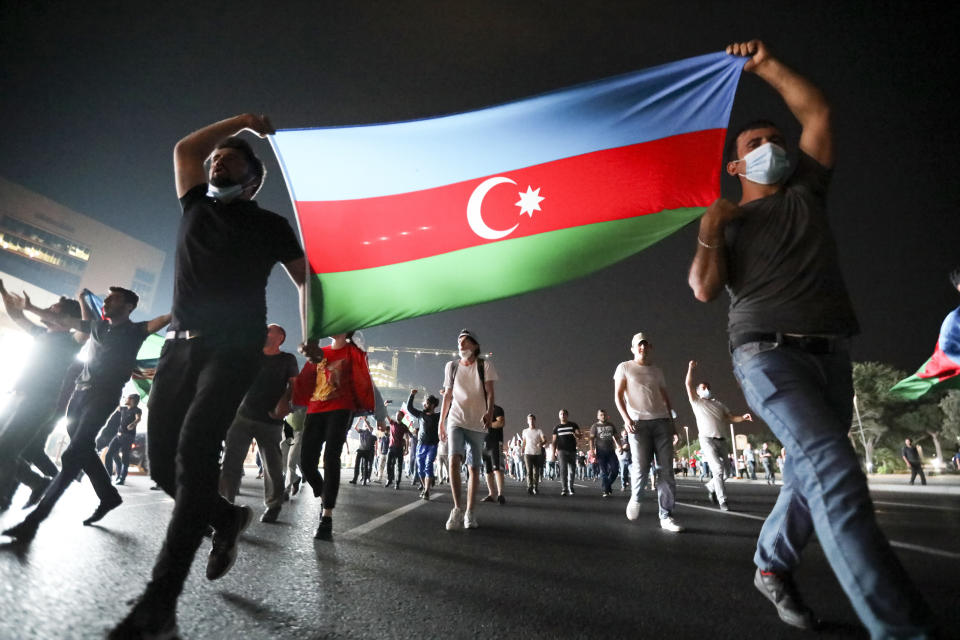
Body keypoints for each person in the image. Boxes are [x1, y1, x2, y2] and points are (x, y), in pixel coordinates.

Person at [687, 40, 933, 636]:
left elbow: (817, 114)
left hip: (831, 354)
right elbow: (702, 288)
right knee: (833, 464)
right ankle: (902, 627)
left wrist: (764, 65)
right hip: (766, 354)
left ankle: (771, 567)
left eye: (776, 140)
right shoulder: (729, 221)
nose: (771, 149)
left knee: (806, 474)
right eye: (754, 145)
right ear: (735, 165)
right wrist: (710, 229)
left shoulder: (806, 194)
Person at [109, 115, 310, 639]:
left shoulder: (270, 225)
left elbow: (308, 280)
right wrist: (243, 123)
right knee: (162, 468)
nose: (217, 160)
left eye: (231, 158)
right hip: (179, 348)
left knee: (195, 452)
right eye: (215, 158)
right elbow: (184, 146)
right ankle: (223, 518)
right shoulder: (194, 203)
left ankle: (160, 603)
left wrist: (315, 331)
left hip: (234, 349)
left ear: (253, 179)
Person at [4, 287, 169, 541]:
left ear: (128, 307)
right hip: (79, 395)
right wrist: (29, 307)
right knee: (82, 449)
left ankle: (33, 522)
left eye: (113, 299)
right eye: (107, 298)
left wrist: (191, 306)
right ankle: (109, 496)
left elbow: (165, 318)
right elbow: (66, 321)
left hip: (103, 396)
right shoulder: (98, 327)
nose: (107, 301)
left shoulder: (136, 330)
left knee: (72, 454)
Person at [0, 282, 84, 511]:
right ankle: (34, 483)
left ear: (65, 319)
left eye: (53, 309)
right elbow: (16, 316)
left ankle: (11, 495)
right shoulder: (42, 334)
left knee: (6, 448)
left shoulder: (71, 341)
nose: (47, 311)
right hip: (19, 395)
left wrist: (33, 307)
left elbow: (86, 327)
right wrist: (3, 291)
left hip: (38, 401)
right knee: (6, 449)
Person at [292, 332, 374, 538]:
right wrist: (307, 348)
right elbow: (306, 378)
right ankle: (324, 494)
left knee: (331, 457)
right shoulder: (321, 352)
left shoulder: (352, 351)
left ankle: (327, 516)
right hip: (315, 409)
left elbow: (363, 365)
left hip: (341, 408)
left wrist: (357, 345)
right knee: (306, 462)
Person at [218, 324, 298, 523]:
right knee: (230, 463)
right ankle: (223, 506)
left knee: (272, 465)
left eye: (270, 330)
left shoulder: (287, 359)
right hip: (241, 417)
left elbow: (295, 385)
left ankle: (273, 505)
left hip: (270, 421)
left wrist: (285, 404)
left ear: (281, 337)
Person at [614, 332, 683, 532]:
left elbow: (666, 399)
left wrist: (673, 425)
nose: (642, 348)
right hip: (638, 425)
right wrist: (626, 419)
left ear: (650, 347)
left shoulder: (657, 371)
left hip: (661, 422)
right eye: (638, 345)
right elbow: (618, 396)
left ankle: (666, 516)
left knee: (666, 471)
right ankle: (636, 497)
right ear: (633, 349)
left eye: (645, 345)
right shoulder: (624, 367)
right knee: (641, 467)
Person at [439, 329, 498, 530]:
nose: (461, 346)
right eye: (459, 342)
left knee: (474, 468)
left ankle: (470, 513)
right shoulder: (451, 366)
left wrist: (489, 413)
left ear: (474, 345)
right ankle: (457, 508)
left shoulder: (485, 365)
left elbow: (490, 394)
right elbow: (447, 396)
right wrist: (442, 422)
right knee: (453, 459)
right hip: (456, 419)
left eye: (465, 342)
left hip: (477, 423)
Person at [685, 361, 752, 510]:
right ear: (697, 392)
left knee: (728, 472)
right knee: (717, 468)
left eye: (708, 387)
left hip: (722, 440)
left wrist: (743, 417)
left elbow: (731, 418)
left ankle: (710, 486)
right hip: (707, 440)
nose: (706, 389)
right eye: (703, 388)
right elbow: (688, 385)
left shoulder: (719, 405)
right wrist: (690, 369)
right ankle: (723, 500)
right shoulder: (696, 402)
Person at [405, 389, 440, 500]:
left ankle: (427, 491)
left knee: (428, 466)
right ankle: (425, 488)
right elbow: (409, 408)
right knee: (420, 469)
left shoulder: (438, 416)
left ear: (433, 405)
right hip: (421, 445)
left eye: (428, 403)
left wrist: (448, 396)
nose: (425, 404)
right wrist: (412, 395)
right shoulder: (420, 415)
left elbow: (449, 410)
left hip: (433, 445)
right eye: (425, 403)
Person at [104, 394, 144, 485]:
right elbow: (116, 405)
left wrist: (133, 424)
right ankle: (108, 476)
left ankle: (122, 478)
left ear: (133, 400)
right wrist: (118, 394)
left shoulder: (137, 410)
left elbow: (138, 419)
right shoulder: (123, 409)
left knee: (125, 457)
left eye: (128, 398)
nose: (126, 399)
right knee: (110, 454)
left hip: (128, 437)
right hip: (118, 435)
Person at [589, 409, 622, 497]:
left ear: (607, 416)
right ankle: (606, 490)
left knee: (615, 470)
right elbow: (591, 439)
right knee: (604, 472)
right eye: (601, 415)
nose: (603, 416)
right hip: (601, 452)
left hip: (611, 451)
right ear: (598, 416)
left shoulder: (611, 425)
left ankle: (606, 486)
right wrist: (592, 451)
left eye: (604, 415)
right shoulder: (594, 426)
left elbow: (616, 437)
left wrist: (619, 446)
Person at [481, 405, 506, 504]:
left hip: (495, 442)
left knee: (497, 469)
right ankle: (491, 494)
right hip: (483, 443)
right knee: (488, 471)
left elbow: (501, 422)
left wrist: (488, 424)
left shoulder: (497, 409)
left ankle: (500, 494)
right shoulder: (479, 409)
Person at [551, 409, 580, 496]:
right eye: (561, 414)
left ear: (567, 415)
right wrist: (553, 453)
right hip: (561, 451)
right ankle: (564, 488)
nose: (562, 415)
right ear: (559, 416)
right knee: (563, 470)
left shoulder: (573, 425)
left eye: (564, 414)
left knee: (572, 470)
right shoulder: (557, 427)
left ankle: (571, 487)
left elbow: (580, 435)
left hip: (572, 450)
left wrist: (576, 435)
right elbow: (554, 441)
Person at [521, 414, 545, 494]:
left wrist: (541, 443)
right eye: (529, 419)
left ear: (535, 420)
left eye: (532, 419)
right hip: (528, 453)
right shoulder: (524, 431)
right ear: (527, 421)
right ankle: (529, 486)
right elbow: (524, 441)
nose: (531, 421)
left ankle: (535, 487)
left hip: (537, 453)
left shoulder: (539, 431)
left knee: (536, 471)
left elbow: (544, 439)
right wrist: (522, 448)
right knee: (529, 471)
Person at [349, 417, 377, 486]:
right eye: (364, 424)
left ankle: (364, 480)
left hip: (366, 451)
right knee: (357, 465)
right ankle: (355, 479)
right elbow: (355, 427)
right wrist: (359, 420)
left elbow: (370, 428)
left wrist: (365, 420)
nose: (365, 425)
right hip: (360, 450)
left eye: (366, 424)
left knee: (365, 466)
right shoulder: (361, 431)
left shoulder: (370, 431)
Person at [385, 412, 409, 489]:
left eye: (399, 415)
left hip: (399, 448)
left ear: (402, 417)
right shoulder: (392, 423)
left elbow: (407, 438)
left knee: (399, 466)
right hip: (391, 447)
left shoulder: (404, 426)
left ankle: (397, 483)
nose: (397, 416)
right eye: (396, 415)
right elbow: (386, 415)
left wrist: (407, 449)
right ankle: (389, 479)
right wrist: (385, 407)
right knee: (388, 464)